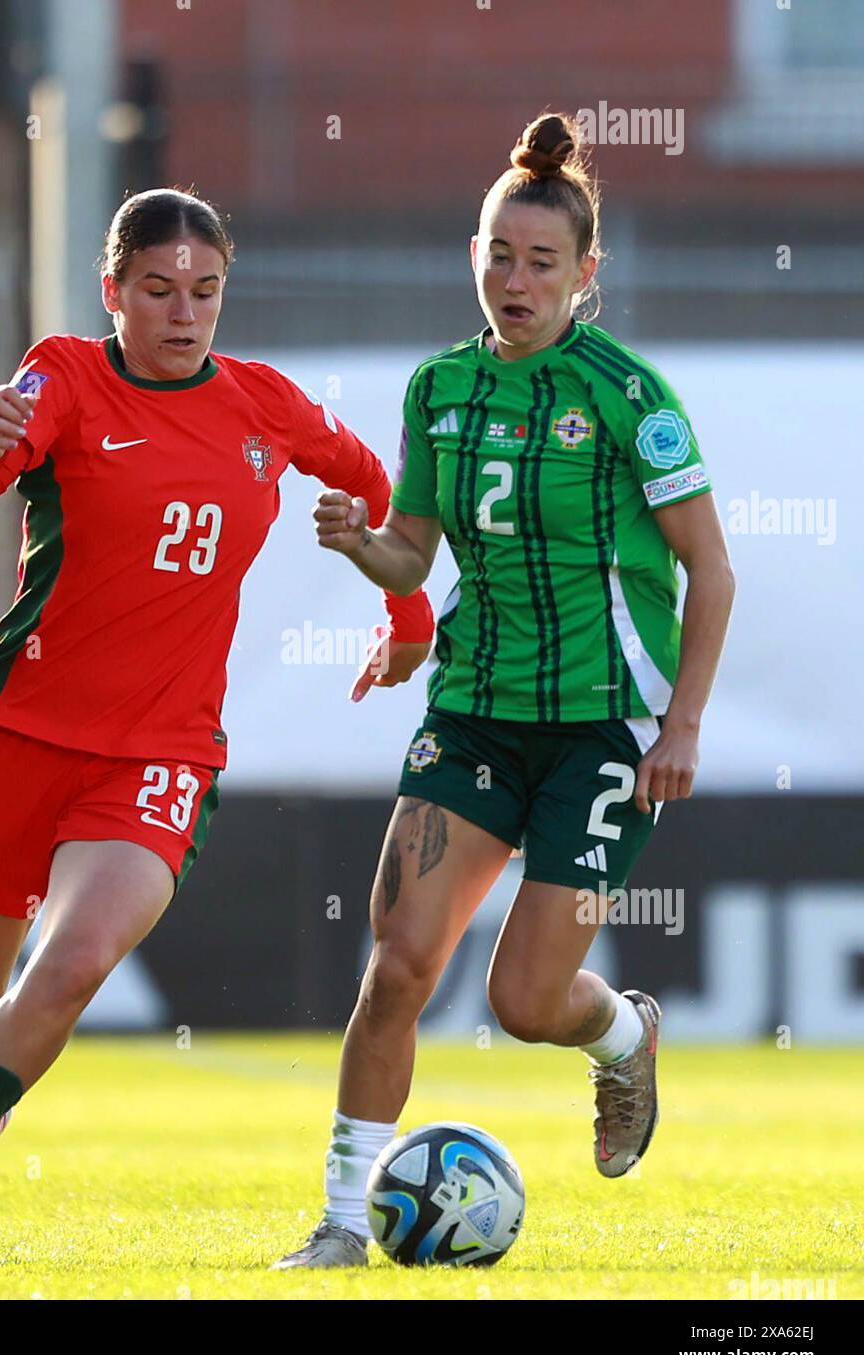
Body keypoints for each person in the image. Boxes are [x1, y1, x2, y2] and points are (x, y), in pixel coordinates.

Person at [0, 187, 434, 1261]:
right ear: (112, 290)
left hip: (160, 756)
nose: (184, 312)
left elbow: (374, 483)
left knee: (66, 967)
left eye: (206, 291)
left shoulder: (265, 404)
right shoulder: (62, 374)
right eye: (157, 290)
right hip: (21, 739)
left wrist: (404, 610)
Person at [274, 112, 735, 1269]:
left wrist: (679, 723)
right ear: (470, 255)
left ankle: (623, 1034)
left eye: (541, 263)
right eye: (496, 255)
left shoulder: (629, 393)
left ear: (586, 274)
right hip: (473, 708)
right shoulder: (437, 388)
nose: (514, 281)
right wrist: (357, 547)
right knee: (396, 969)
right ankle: (336, 1226)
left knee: (525, 1000)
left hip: (603, 724)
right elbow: (411, 558)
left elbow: (711, 568)